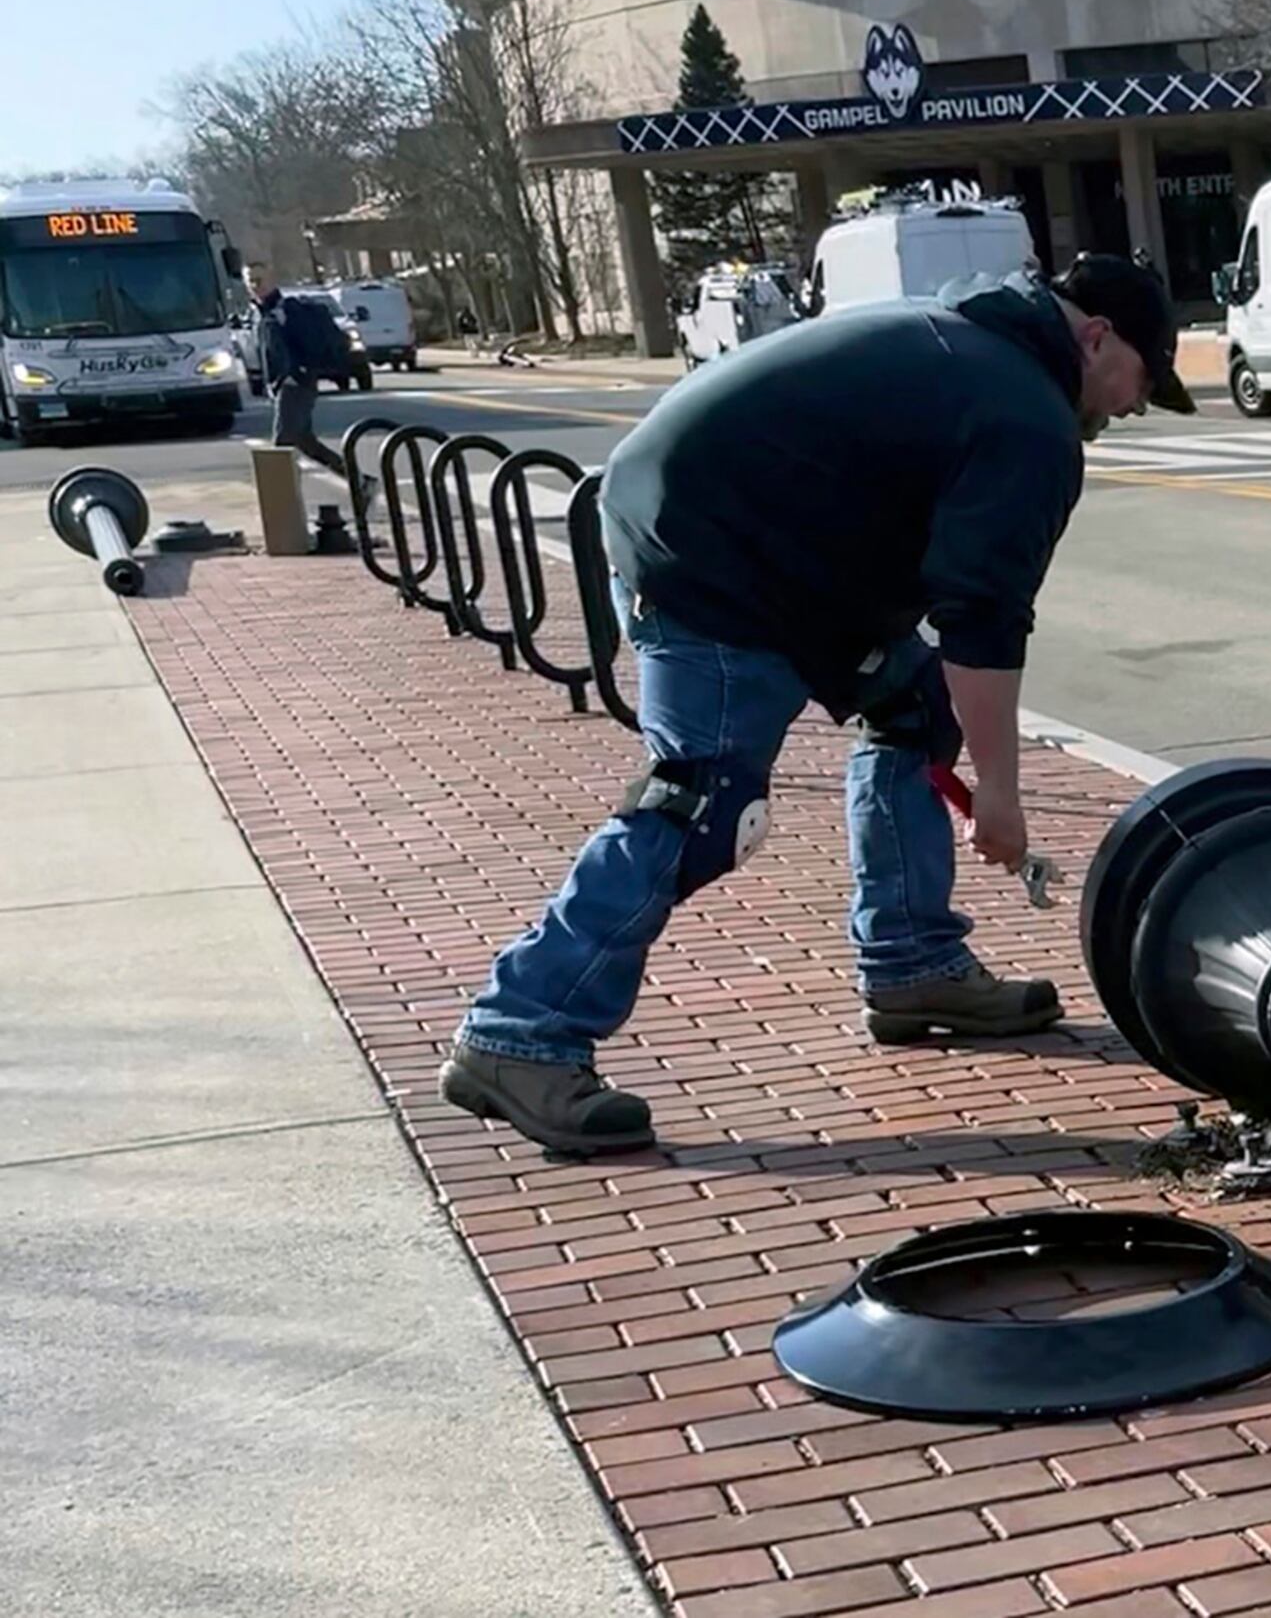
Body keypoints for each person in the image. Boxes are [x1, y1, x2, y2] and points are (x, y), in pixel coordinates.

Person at [438, 254, 1194, 1155]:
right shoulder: (1027, 413)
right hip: (717, 562)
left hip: (748, 544)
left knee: (914, 709)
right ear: (1097, 336)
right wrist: (1000, 793)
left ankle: (912, 963)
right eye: (1143, 379)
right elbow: (981, 618)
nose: (1134, 406)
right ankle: (521, 1030)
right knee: (701, 803)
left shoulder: (966, 341)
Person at [246, 268, 348, 479]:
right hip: (285, 384)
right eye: (250, 282)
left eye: (259, 280)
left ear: (272, 281)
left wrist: (293, 372)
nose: (255, 286)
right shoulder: (263, 312)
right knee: (305, 442)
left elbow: (302, 345)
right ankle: (360, 483)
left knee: (282, 446)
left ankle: (283, 502)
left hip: (295, 384)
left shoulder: (286, 311)